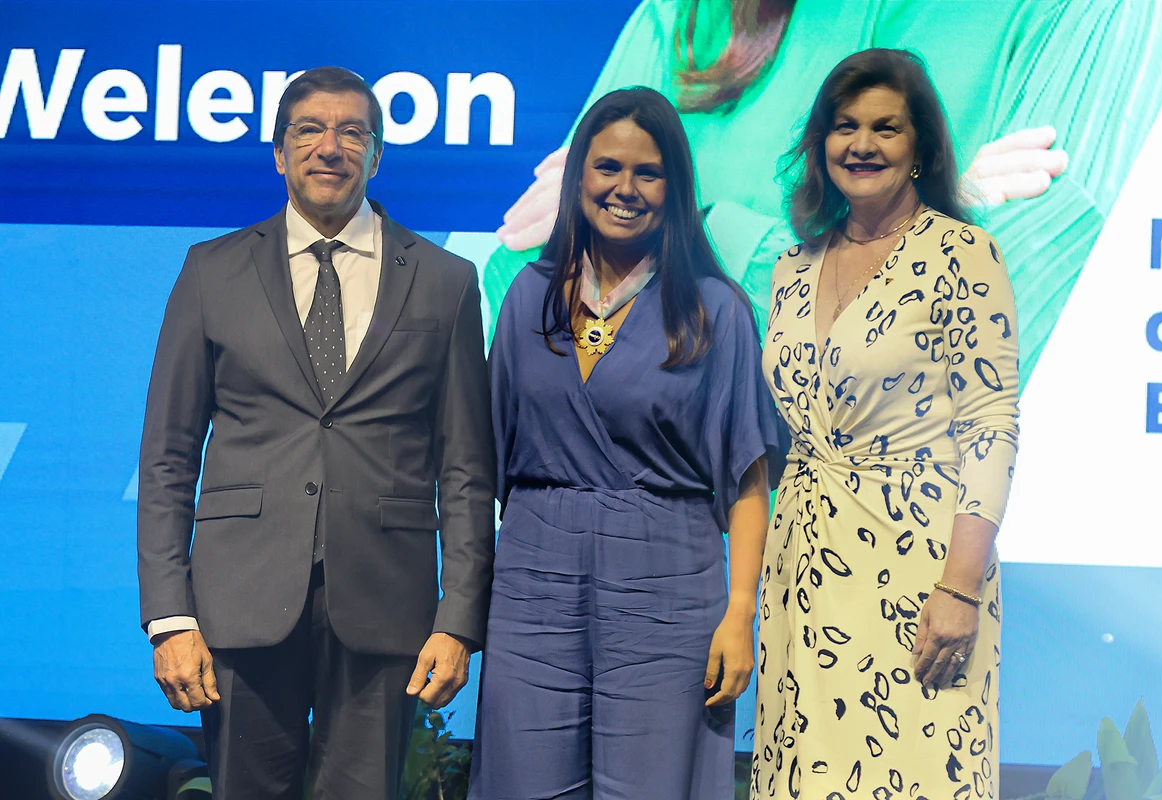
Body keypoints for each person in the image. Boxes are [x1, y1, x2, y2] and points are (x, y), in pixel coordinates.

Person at [484, 0, 1162, 386]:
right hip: (630, 571)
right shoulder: (687, 15)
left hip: (887, 597)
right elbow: (529, 291)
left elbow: (965, 336)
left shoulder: (1101, 10)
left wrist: (676, 241)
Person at [136, 66, 495, 798]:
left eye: (351, 131)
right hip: (238, 604)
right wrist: (169, 616)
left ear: (376, 153)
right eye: (309, 130)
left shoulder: (446, 280)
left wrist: (458, 619)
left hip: (387, 607)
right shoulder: (210, 271)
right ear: (279, 152)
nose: (329, 147)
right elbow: (168, 458)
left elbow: (466, 469)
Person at [468, 86, 780, 799]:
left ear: (675, 188)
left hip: (668, 587)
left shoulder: (714, 310)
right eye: (608, 167)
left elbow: (748, 480)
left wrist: (740, 612)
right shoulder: (528, 297)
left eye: (648, 172)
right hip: (533, 585)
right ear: (579, 175)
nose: (625, 188)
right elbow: (485, 465)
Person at [753, 49, 1018, 799]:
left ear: (922, 147)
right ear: (819, 143)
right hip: (803, 569)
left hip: (922, 575)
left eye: (885, 127)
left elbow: (991, 426)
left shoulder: (964, 255)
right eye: (844, 126)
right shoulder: (790, 268)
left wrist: (960, 589)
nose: (861, 144)